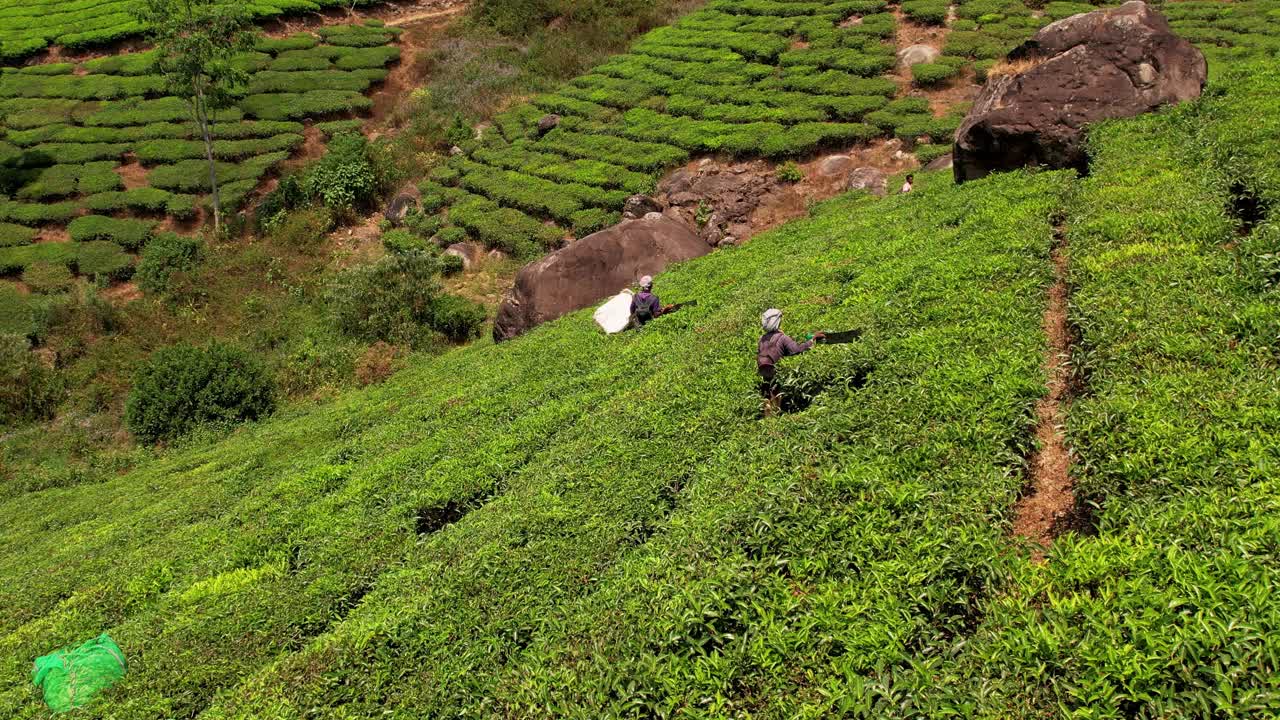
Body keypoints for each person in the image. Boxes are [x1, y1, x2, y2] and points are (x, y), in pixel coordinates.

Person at [757, 308, 823, 414]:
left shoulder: (762, 339)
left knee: (767, 399)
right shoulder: (782, 338)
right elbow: (796, 350)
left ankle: (768, 421)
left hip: (763, 373)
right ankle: (775, 422)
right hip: (776, 372)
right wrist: (812, 341)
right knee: (776, 397)